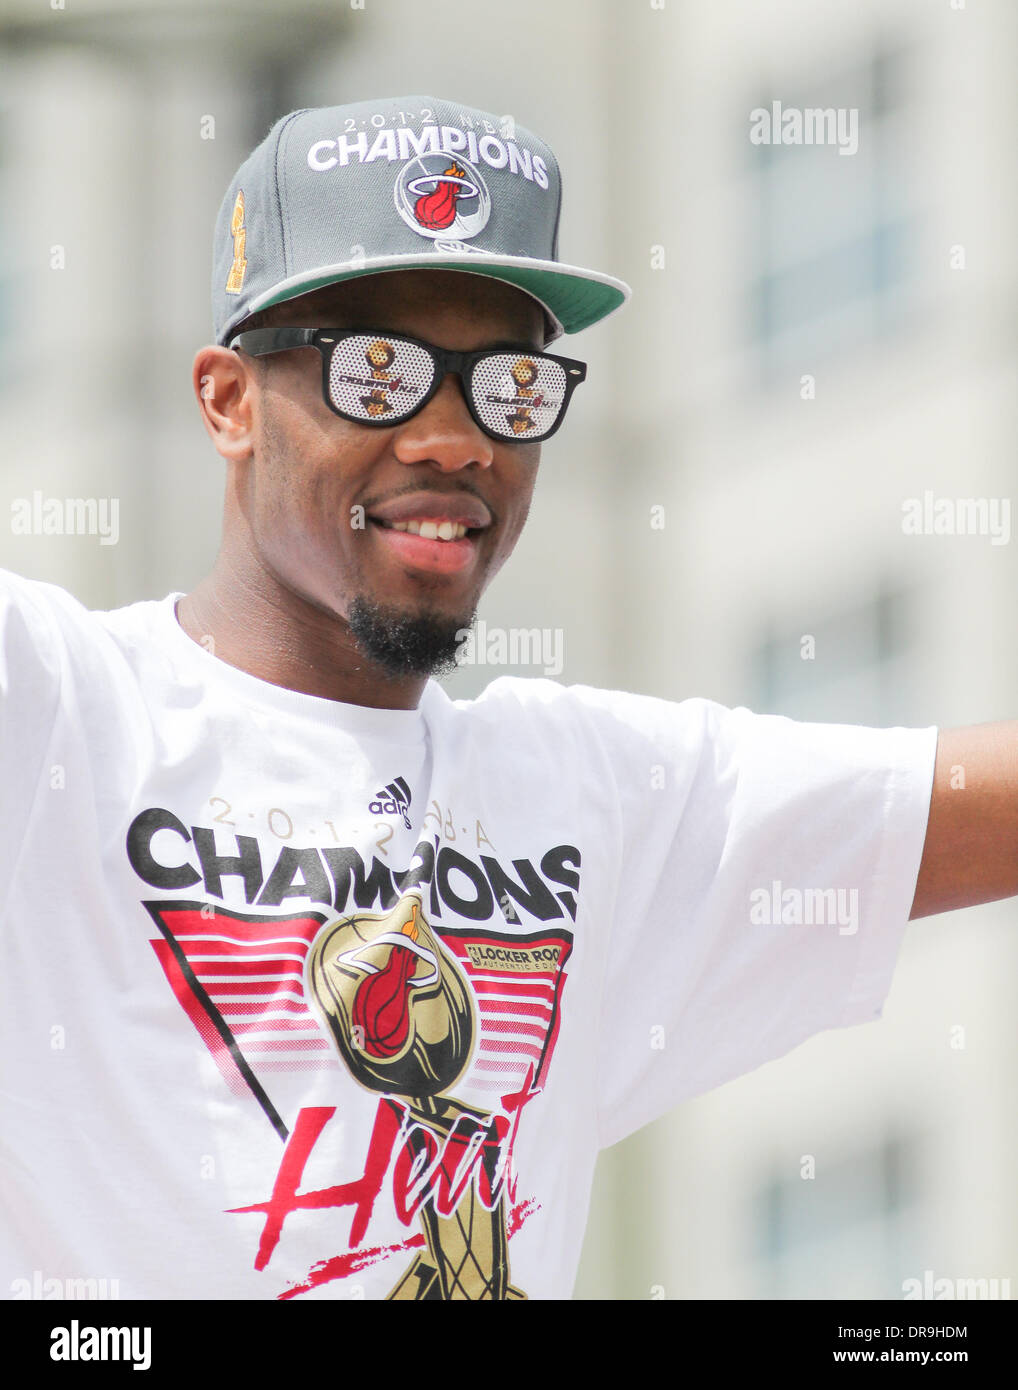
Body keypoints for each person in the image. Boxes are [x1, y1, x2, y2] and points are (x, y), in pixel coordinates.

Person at [0, 94, 1014, 1303]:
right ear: (229, 399)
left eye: (509, 387)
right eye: (381, 373)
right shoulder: (59, 709)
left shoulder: (589, 795)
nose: (455, 439)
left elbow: (969, 801)